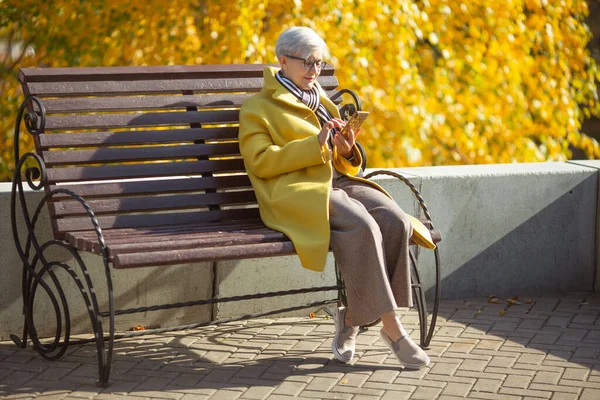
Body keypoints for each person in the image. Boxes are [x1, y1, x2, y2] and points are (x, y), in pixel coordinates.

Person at [238, 26, 430, 369]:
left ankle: (353, 320)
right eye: (308, 63)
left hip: (337, 182)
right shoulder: (257, 108)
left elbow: (341, 161)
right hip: (298, 192)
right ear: (283, 61)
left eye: (320, 64)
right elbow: (261, 162)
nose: (315, 71)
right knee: (362, 225)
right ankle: (394, 331)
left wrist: (346, 149)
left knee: (395, 220)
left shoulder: (321, 100)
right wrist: (315, 146)